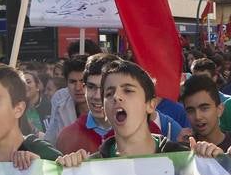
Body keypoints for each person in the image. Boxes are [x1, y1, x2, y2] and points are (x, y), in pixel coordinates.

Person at [56, 60, 188, 166]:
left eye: (128, 90)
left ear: (150, 105)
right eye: (109, 93)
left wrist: (207, 158)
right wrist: (67, 173)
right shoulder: (91, 167)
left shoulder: (185, 160)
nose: (116, 97)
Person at [56, 52, 119, 154]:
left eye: (105, 87)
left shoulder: (145, 130)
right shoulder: (67, 136)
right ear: (85, 88)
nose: (97, 96)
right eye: (91, 87)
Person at [178, 75, 231, 151]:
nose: (197, 116)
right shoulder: (182, 151)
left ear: (219, 110)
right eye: (190, 110)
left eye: (204, 108)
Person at [46, 56, 89, 135]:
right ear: (66, 83)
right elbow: (51, 138)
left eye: (83, 82)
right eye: (72, 82)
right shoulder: (60, 103)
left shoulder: (105, 107)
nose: (78, 88)